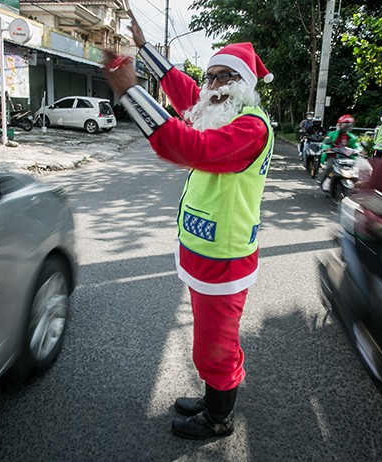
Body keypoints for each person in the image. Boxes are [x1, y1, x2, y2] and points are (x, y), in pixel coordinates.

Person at [102, 11, 274, 440]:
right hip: (205, 253)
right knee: (208, 340)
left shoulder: (249, 126)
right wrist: (144, 49)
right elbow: (185, 93)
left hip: (224, 258)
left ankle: (218, 418)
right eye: (210, 77)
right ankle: (214, 392)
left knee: (215, 345)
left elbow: (185, 144)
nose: (210, 86)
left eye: (221, 78)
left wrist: (131, 93)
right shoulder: (221, 112)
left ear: (242, 87)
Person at [318, 114, 360, 188]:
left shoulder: (352, 137)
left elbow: (356, 146)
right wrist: (328, 148)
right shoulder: (332, 134)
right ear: (340, 125)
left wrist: (359, 151)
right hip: (334, 157)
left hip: (348, 159)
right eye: (345, 125)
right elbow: (325, 143)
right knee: (328, 168)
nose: (347, 127)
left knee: (357, 172)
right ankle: (324, 184)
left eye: (349, 125)